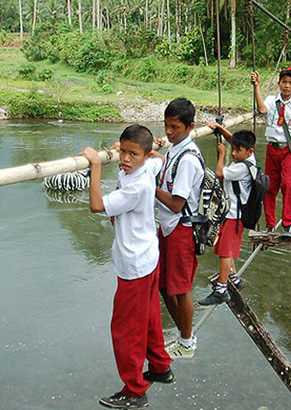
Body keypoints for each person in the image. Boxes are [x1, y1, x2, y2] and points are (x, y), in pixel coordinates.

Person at [80, 125, 174, 410]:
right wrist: (140, 148)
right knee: (149, 318)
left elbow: (97, 205)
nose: (126, 159)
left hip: (134, 265)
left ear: (143, 157)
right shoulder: (149, 167)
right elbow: (162, 158)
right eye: (123, 152)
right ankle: (160, 366)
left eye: (134, 154)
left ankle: (134, 390)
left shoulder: (136, 185)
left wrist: (96, 164)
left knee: (126, 330)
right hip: (148, 258)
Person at [153, 98, 203, 359]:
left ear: (190, 127)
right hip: (169, 228)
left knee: (181, 288)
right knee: (164, 285)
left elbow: (175, 203)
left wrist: (149, 186)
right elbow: (168, 165)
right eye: (166, 126)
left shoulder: (189, 160)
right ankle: (184, 332)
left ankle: (186, 342)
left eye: (175, 127)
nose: (169, 132)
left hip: (181, 229)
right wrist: (154, 157)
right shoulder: (176, 149)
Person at [198, 123, 256, 305]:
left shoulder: (241, 167)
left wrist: (221, 155)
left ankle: (221, 288)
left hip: (234, 216)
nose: (233, 153)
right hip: (231, 213)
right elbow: (236, 142)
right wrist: (221, 130)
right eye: (233, 149)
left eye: (238, 150)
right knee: (223, 247)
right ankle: (234, 278)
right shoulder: (250, 159)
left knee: (225, 252)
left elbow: (219, 173)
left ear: (249, 151)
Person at [251, 67, 291, 234]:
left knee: (287, 185)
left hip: (289, 150)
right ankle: (270, 224)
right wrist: (256, 86)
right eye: (284, 82)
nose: (287, 86)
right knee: (270, 188)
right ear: (279, 83)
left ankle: (287, 224)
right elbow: (262, 110)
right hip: (273, 149)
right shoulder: (272, 101)